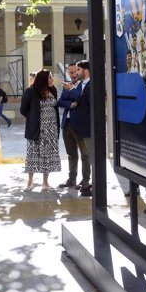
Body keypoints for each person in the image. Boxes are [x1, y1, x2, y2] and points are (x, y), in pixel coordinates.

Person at [20, 70, 60, 191]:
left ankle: (45, 183)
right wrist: (33, 118)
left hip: (51, 130)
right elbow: (23, 110)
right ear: (43, 79)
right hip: (36, 129)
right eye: (50, 78)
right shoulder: (30, 92)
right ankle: (30, 182)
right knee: (33, 155)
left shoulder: (53, 90)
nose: (52, 80)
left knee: (48, 156)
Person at [56, 63, 84, 189]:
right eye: (70, 73)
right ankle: (72, 179)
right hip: (66, 124)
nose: (73, 75)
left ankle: (85, 181)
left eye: (75, 72)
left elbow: (79, 98)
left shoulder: (83, 85)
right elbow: (60, 102)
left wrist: (71, 91)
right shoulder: (67, 85)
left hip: (78, 124)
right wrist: (71, 104)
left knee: (85, 154)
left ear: (79, 71)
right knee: (71, 154)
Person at [69, 60, 92, 196]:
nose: (76, 73)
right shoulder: (81, 85)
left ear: (86, 71)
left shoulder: (91, 85)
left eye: (78, 70)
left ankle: (93, 185)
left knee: (91, 157)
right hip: (80, 128)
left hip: (89, 128)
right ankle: (89, 185)